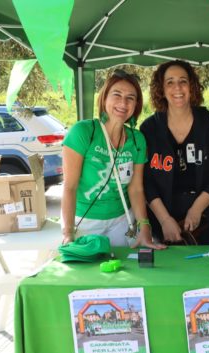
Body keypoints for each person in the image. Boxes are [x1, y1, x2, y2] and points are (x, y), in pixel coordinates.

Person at [61, 69, 163, 249]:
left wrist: (144, 227)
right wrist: (68, 233)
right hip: (86, 221)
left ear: (136, 105)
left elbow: (136, 189)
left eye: (130, 98)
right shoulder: (83, 132)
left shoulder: (137, 140)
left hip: (123, 220)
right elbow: (70, 187)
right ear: (104, 98)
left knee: (130, 264)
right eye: (117, 95)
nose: (123, 103)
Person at [140, 60, 209, 244]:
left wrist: (197, 209)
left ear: (192, 86)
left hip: (206, 215)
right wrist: (165, 220)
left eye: (183, 81)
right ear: (161, 89)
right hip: (162, 220)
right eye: (170, 82)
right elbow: (146, 181)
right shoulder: (149, 128)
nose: (177, 88)